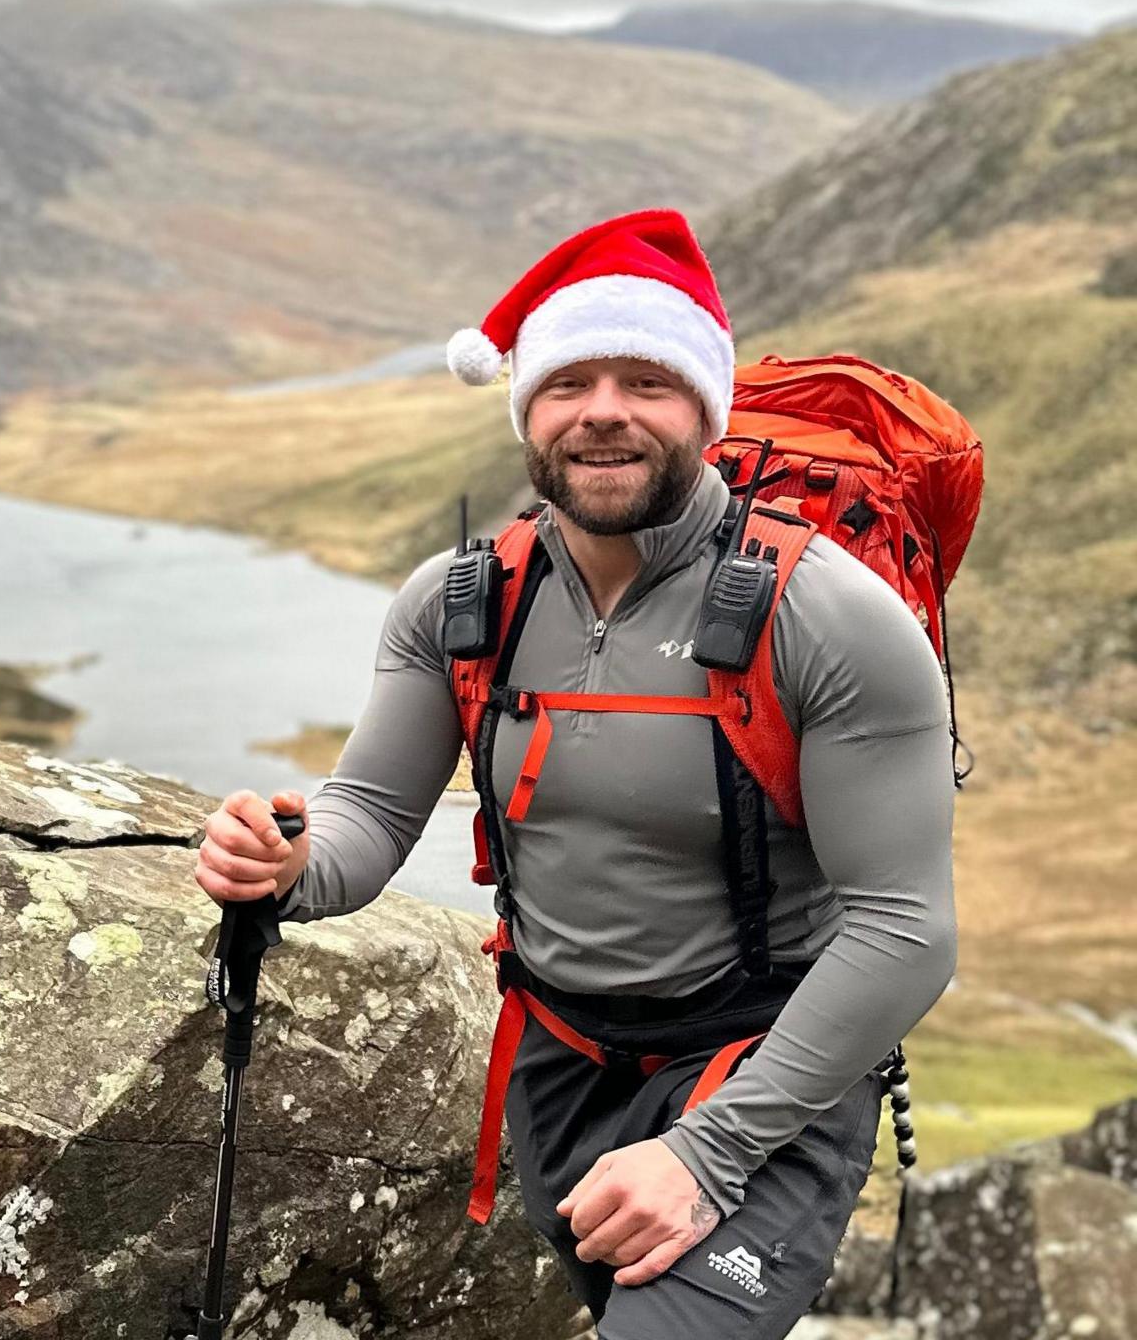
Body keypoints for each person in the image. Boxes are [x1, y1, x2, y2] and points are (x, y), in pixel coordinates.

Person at [193, 209, 958, 1338]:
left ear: (703, 407)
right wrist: (288, 863)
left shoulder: (828, 618)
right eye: (567, 383)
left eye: (644, 380)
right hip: (561, 1068)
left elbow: (905, 929)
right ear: (527, 413)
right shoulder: (462, 603)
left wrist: (705, 1154)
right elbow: (366, 816)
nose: (602, 410)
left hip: (761, 1078)